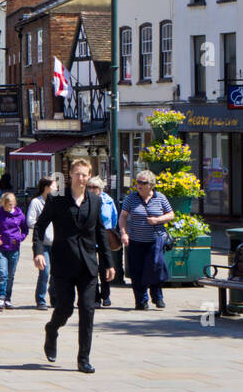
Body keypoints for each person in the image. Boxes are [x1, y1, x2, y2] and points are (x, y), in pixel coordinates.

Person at [32, 158, 112, 374]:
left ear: (89, 175)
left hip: (88, 266)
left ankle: (83, 359)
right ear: (70, 175)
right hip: (63, 263)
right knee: (65, 309)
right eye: (77, 173)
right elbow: (40, 227)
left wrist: (108, 262)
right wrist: (38, 252)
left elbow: (100, 232)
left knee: (87, 310)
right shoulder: (57, 199)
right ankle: (51, 329)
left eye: (85, 174)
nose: (81, 178)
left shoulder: (95, 201)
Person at [119, 170, 174, 311]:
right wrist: (124, 233)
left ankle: (157, 296)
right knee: (137, 272)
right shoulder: (131, 198)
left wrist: (157, 220)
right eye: (138, 182)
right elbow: (123, 216)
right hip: (136, 241)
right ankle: (141, 300)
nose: (139, 185)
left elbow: (170, 214)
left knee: (155, 268)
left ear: (151, 184)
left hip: (155, 241)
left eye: (143, 183)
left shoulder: (160, 197)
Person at [0, 193, 28, 310]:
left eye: (12, 205)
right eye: (8, 205)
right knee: (2, 273)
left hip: (14, 249)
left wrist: (19, 238)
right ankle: (1, 297)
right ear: (3, 203)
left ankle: (8, 298)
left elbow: (25, 230)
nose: (10, 207)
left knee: (10, 275)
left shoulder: (19, 214)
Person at [87, 175, 121, 308]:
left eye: (94, 187)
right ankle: (95, 298)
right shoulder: (84, 200)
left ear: (100, 188)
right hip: (89, 237)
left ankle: (106, 295)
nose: (91, 189)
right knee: (92, 269)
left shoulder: (108, 201)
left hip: (104, 237)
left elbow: (113, 218)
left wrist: (111, 234)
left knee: (105, 268)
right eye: (89, 187)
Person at [26, 176, 58, 310]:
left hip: (56, 243)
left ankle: (55, 298)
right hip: (43, 243)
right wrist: (43, 224)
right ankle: (40, 299)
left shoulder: (57, 202)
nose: (57, 189)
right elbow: (30, 221)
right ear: (46, 188)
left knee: (56, 273)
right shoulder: (36, 202)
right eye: (54, 186)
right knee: (45, 272)